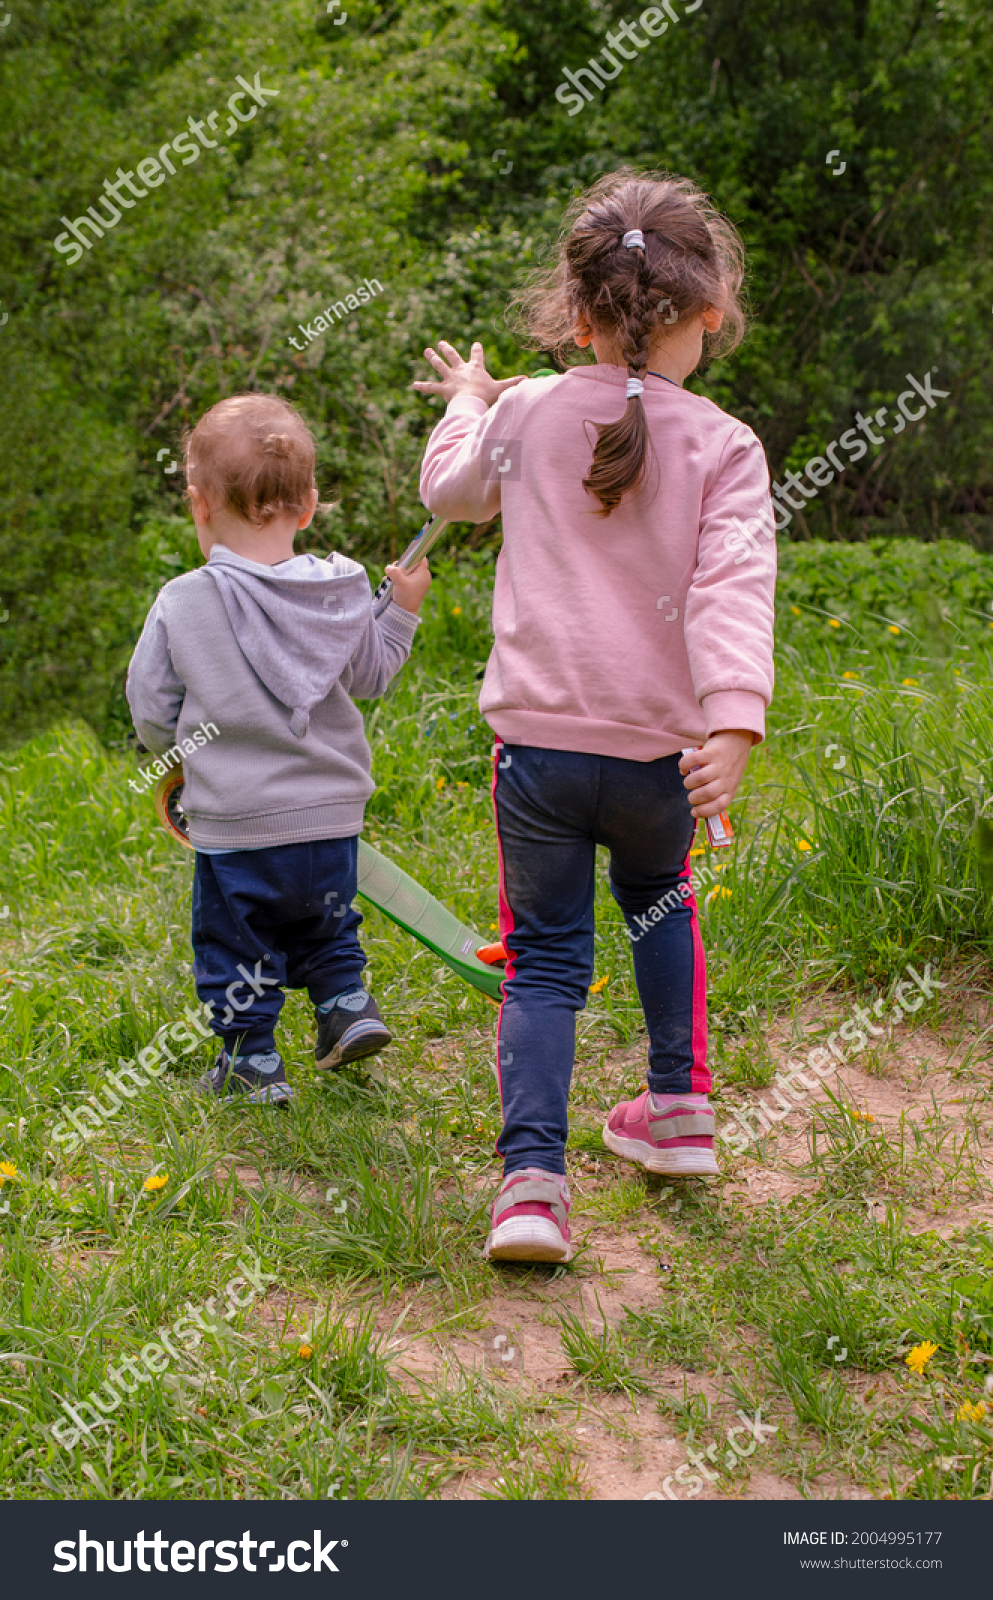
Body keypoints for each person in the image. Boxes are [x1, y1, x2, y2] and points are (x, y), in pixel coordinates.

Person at [413, 169, 775, 1262]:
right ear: (709, 312)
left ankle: (531, 1186)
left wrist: (470, 403)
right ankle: (679, 1110)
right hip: (662, 758)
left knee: (546, 961)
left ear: (573, 316)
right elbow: (730, 590)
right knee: (661, 898)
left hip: (540, 755)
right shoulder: (726, 446)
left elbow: (450, 498)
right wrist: (732, 725)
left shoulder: (525, 411)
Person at [127, 393, 430, 1104]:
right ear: (309, 505)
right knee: (325, 921)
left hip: (236, 825)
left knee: (236, 946)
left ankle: (251, 1062)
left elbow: (150, 705)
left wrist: (175, 755)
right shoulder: (343, 590)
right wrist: (403, 607)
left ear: (199, 505)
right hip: (330, 820)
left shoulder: (183, 600)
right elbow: (373, 673)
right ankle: (346, 1005)